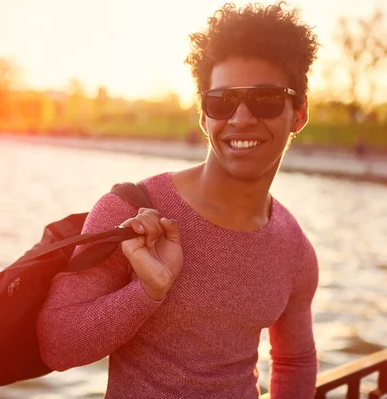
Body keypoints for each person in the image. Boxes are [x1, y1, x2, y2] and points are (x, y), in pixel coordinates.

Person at [36, 2, 320, 398]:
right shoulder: (132, 212)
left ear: (300, 113)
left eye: (266, 99)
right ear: (204, 116)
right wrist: (147, 291)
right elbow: (58, 344)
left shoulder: (295, 249)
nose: (240, 118)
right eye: (221, 101)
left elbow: (295, 360)